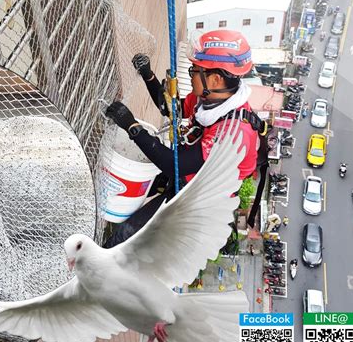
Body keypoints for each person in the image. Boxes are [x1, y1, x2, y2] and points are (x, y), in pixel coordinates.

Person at [104, 30, 264, 247]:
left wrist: (132, 127)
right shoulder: (210, 100)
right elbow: (172, 110)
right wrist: (148, 76)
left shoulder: (233, 134)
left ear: (215, 79)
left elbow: (173, 164)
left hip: (197, 202)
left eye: (194, 71)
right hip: (189, 174)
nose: (191, 75)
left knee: (124, 238)